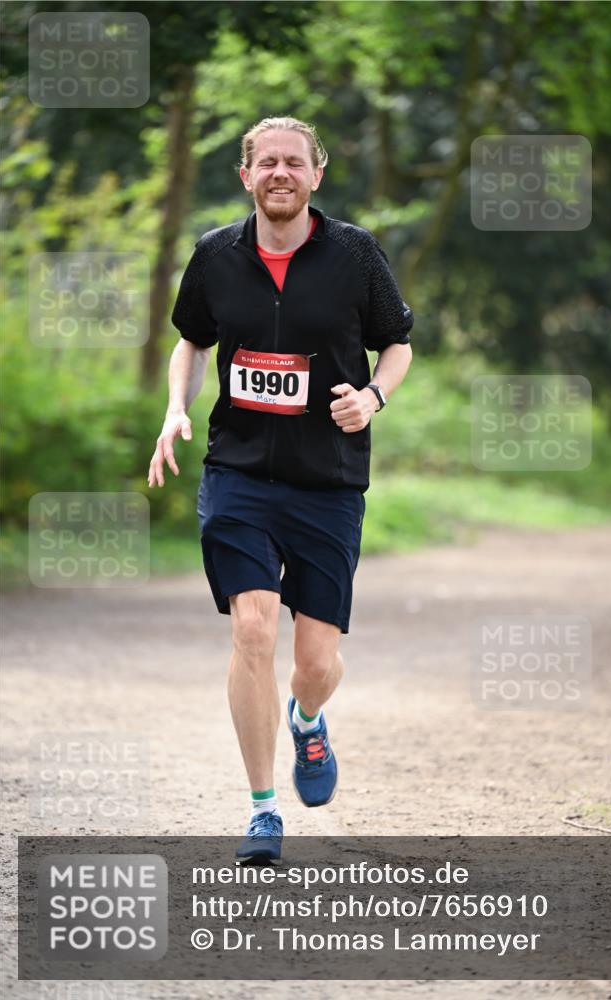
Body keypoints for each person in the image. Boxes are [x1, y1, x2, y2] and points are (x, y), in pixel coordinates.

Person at [148, 116, 413, 861]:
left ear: (315, 174)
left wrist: (372, 397)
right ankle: (263, 809)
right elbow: (192, 340)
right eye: (265, 163)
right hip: (237, 472)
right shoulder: (215, 256)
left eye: (292, 162)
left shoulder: (355, 254)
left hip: (327, 479)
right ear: (245, 176)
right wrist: (176, 410)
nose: (279, 174)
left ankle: (307, 720)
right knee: (253, 629)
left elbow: (397, 341)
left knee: (316, 662)